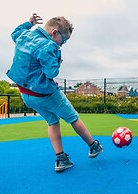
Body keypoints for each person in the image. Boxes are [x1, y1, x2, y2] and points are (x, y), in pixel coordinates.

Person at [6, 13, 103, 172]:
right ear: (54, 32)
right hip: (44, 92)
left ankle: (61, 159)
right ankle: (94, 146)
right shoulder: (49, 46)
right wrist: (58, 60)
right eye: (63, 41)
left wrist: (29, 23)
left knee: (52, 121)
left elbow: (14, 33)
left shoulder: (24, 35)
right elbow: (51, 73)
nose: (62, 44)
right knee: (72, 117)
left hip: (26, 94)